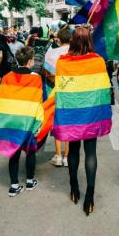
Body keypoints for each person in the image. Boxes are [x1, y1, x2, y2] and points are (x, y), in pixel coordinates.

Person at [51, 27, 112, 216]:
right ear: (90, 42)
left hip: (71, 114)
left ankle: (74, 188)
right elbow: (104, 89)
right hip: (91, 114)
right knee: (91, 152)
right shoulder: (98, 61)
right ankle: (90, 196)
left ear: (73, 41)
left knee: (74, 150)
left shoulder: (63, 62)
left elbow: (60, 88)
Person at [0, 47, 43, 196]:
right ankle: (30, 181)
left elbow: (1, 100)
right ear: (30, 61)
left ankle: (14, 186)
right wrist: (38, 123)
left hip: (11, 121)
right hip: (28, 121)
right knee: (30, 152)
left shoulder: (7, 77)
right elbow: (38, 101)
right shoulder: (36, 78)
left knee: (13, 153)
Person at [43, 27, 71, 167]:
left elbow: (46, 73)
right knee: (69, 123)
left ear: (58, 39)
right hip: (71, 92)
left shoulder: (51, 53)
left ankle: (58, 155)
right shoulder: (75, 53)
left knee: (57, 123)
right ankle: (67, 157)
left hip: (55, 92)